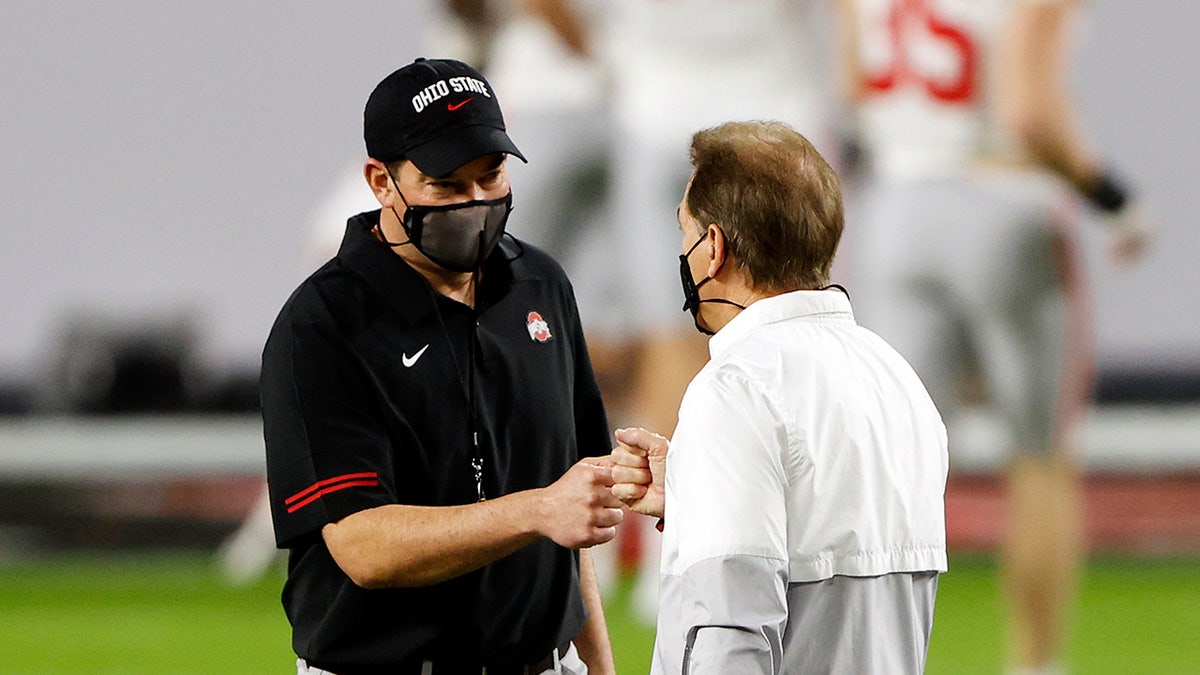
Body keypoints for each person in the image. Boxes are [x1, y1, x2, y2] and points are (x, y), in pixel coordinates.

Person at [261, 57, 622, 675]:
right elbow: (363, 547)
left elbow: (572, 510)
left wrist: (600, 666)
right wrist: (537, 510)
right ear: (380, 182)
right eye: (446, 186)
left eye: (491, 175)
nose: (476, 202)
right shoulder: (321, 327)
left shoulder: (541, 286)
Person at [833, 2, 1151, 673]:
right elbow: (1027, 111)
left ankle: (863, 657)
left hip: (897, 207)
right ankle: (1036, 663)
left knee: (891, 472)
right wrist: (1111, 197)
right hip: (1004, 199)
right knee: (1041, 458)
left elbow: (855, 89)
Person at [609, 120, 949, 673]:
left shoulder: (737, 391)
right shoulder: (898, 381)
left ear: (713, 247)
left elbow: (727, 633)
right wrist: (700, 491)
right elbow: (832, 549)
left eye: (684, 231)